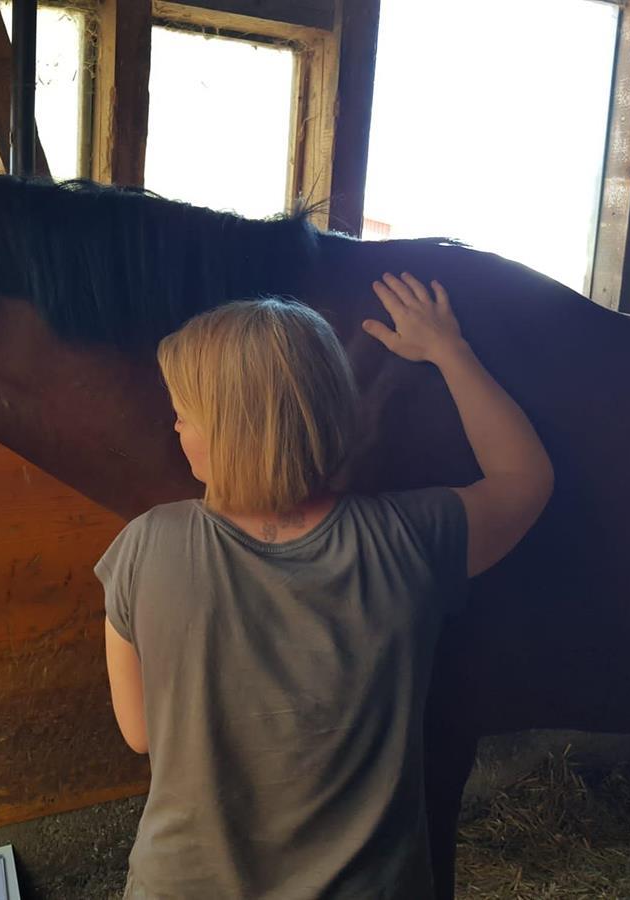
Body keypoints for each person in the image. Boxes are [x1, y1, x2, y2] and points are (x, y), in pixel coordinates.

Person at [96, 272, 554, 899]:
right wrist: (451, 352)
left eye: (184, 415)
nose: (175, 428)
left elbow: (141, 733)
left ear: (231, 433)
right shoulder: (411, 539)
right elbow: (524, 477)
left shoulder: (145, 547)